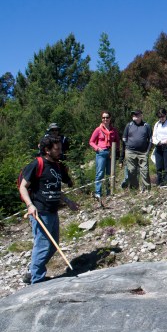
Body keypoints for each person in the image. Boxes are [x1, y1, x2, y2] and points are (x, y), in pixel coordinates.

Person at [19, 136, 79, 284]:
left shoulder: (57, 166)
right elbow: (23, 187)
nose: (60, 152)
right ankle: (37, 282)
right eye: (57, 149)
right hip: (40, 212)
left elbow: (55, 190)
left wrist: (68, 201)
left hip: (53, 211)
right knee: (43, 246)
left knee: (52, 246)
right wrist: (30, 205)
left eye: (60, 148)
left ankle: (33, 270)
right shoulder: (37, 164)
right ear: (47, 150)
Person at [89, 111, 120, 201]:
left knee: (109, 173)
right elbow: (91, 141)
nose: (105, 119)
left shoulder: (113, 130)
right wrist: (97, 148)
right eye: (103, 118)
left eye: (107, 117)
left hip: (111, 153)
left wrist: (116, 150)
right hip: (101, 153)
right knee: (100, 173)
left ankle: (108, 192)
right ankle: (98, 193)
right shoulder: (98, 129)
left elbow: (118, 141)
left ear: (110, 118)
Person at [120, 110, 152, 191]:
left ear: (141, 116)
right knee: (132, 171)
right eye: (134, 115)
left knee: (145, 171)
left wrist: (147, 151)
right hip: (130, 152)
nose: (135, 117)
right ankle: (134, 190)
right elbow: (124, 140)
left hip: (143, 153)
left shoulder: (146, 126)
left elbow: (151, 140)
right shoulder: (129, 125)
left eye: (137, 115)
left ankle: (147, 190)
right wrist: (123, 155)